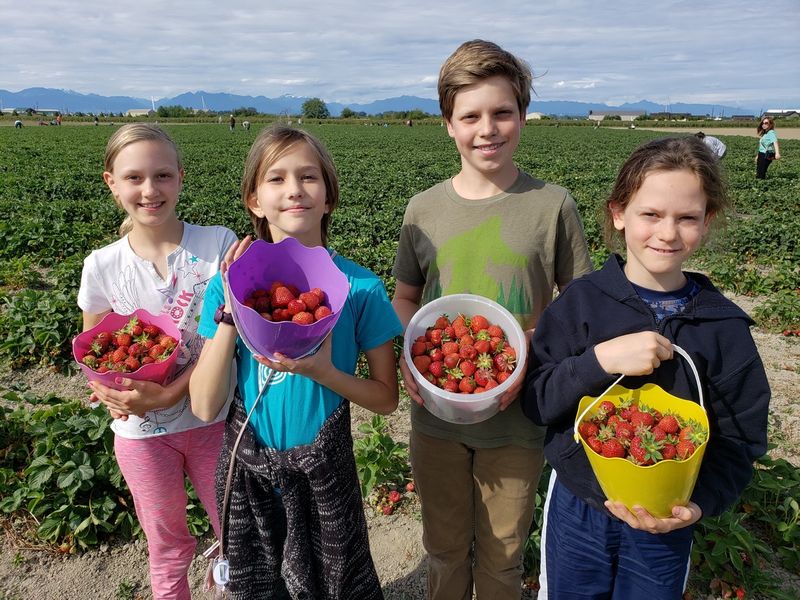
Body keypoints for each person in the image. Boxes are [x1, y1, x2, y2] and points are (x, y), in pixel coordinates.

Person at [521, 136, 770, 599]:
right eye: (651, 214)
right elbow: (537, 399)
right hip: (581, 503)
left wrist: (699, 502)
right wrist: (599, 361)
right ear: (619, 213)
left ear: (707, 221)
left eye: (687, 218)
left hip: (668, 516)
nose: (667, 232)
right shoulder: (580, 305)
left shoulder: (724, 329)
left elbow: (740, 438)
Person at [391, 40, 592, 599]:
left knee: (504, 555)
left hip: (518, 416)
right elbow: (405, 297)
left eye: (503, 112)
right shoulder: (423, 209)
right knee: (444, 550)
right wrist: (412, 351)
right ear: (447, 124)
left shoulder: (552, 205)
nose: (489, 128)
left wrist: (535, 345)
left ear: (523, 115)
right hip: (436, 417)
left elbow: (579, 307)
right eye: (471, 115)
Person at [189, 126, 402, 599]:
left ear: (328, 196)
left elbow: (386, 399)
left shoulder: (360, 288)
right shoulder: (226, 289)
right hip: (248, 470)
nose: (294, 189)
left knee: (336, 583)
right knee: (258, 586)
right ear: (254, 200)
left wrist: (325, 372)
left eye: (308, 176)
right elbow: (204, 406)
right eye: (276, 178)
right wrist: (230, 307)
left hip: (325, 471)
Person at [78, 124, 238, 600]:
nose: (150, 190)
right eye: (134, 178)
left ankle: (230, 583)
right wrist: (108, 393)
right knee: (166, 545)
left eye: (163, 175)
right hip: (142, 437)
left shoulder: (216, 246)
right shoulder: (101, 266)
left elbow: (226, 340)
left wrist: (168, 392)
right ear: (112, 182)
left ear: (181, 178)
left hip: (214, 419)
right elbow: (98, 351)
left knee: (237, 531)